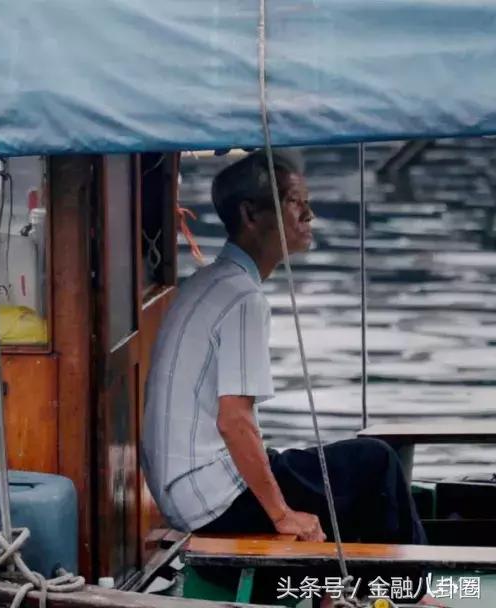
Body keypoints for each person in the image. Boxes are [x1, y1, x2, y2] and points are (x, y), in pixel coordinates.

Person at [139, 150, 436, 604]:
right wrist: (282, 516)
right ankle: (413, 598)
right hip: (214, 503)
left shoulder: (207, 282)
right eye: (297, 202)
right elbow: (234, 421)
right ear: (251, 214)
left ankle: (334, 591)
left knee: (338, 473)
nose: (310, 214)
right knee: (375, 462)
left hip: (188, 492)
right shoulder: (242, 298)